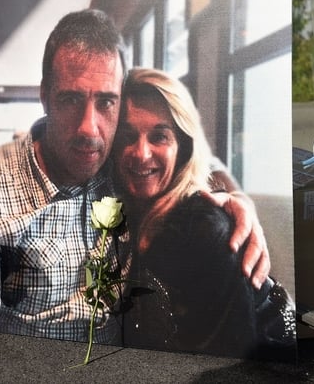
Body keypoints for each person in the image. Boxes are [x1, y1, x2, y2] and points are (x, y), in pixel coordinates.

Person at [0, 8, 270, 344]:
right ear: (45, 98)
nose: (89, 128)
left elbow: (192, 159)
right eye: (70, 99)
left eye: (107, 102)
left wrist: (236, 202)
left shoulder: (116, 164)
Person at [113, 68, 296, 358]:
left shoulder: (205, 230)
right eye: (127, 137)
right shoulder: (123, 210)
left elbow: (231, 364)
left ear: (182, 148)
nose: (141, 153)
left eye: (159, 136)